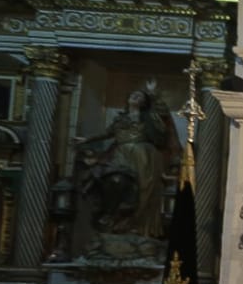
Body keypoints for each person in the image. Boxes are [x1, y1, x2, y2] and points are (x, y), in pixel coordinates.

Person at [74, 82, 177, 238]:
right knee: (116, 182)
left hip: (142, 155)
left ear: (144, 103)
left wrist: (153, 95)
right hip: (121, 153)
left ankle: (138, 226)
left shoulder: (148, 117)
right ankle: (117, 222)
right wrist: (86, 140)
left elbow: (162, 126)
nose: (135, 97)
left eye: (140, 97)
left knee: (143, 190)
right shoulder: (120, 119)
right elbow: (107, 134)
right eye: (133, 95)